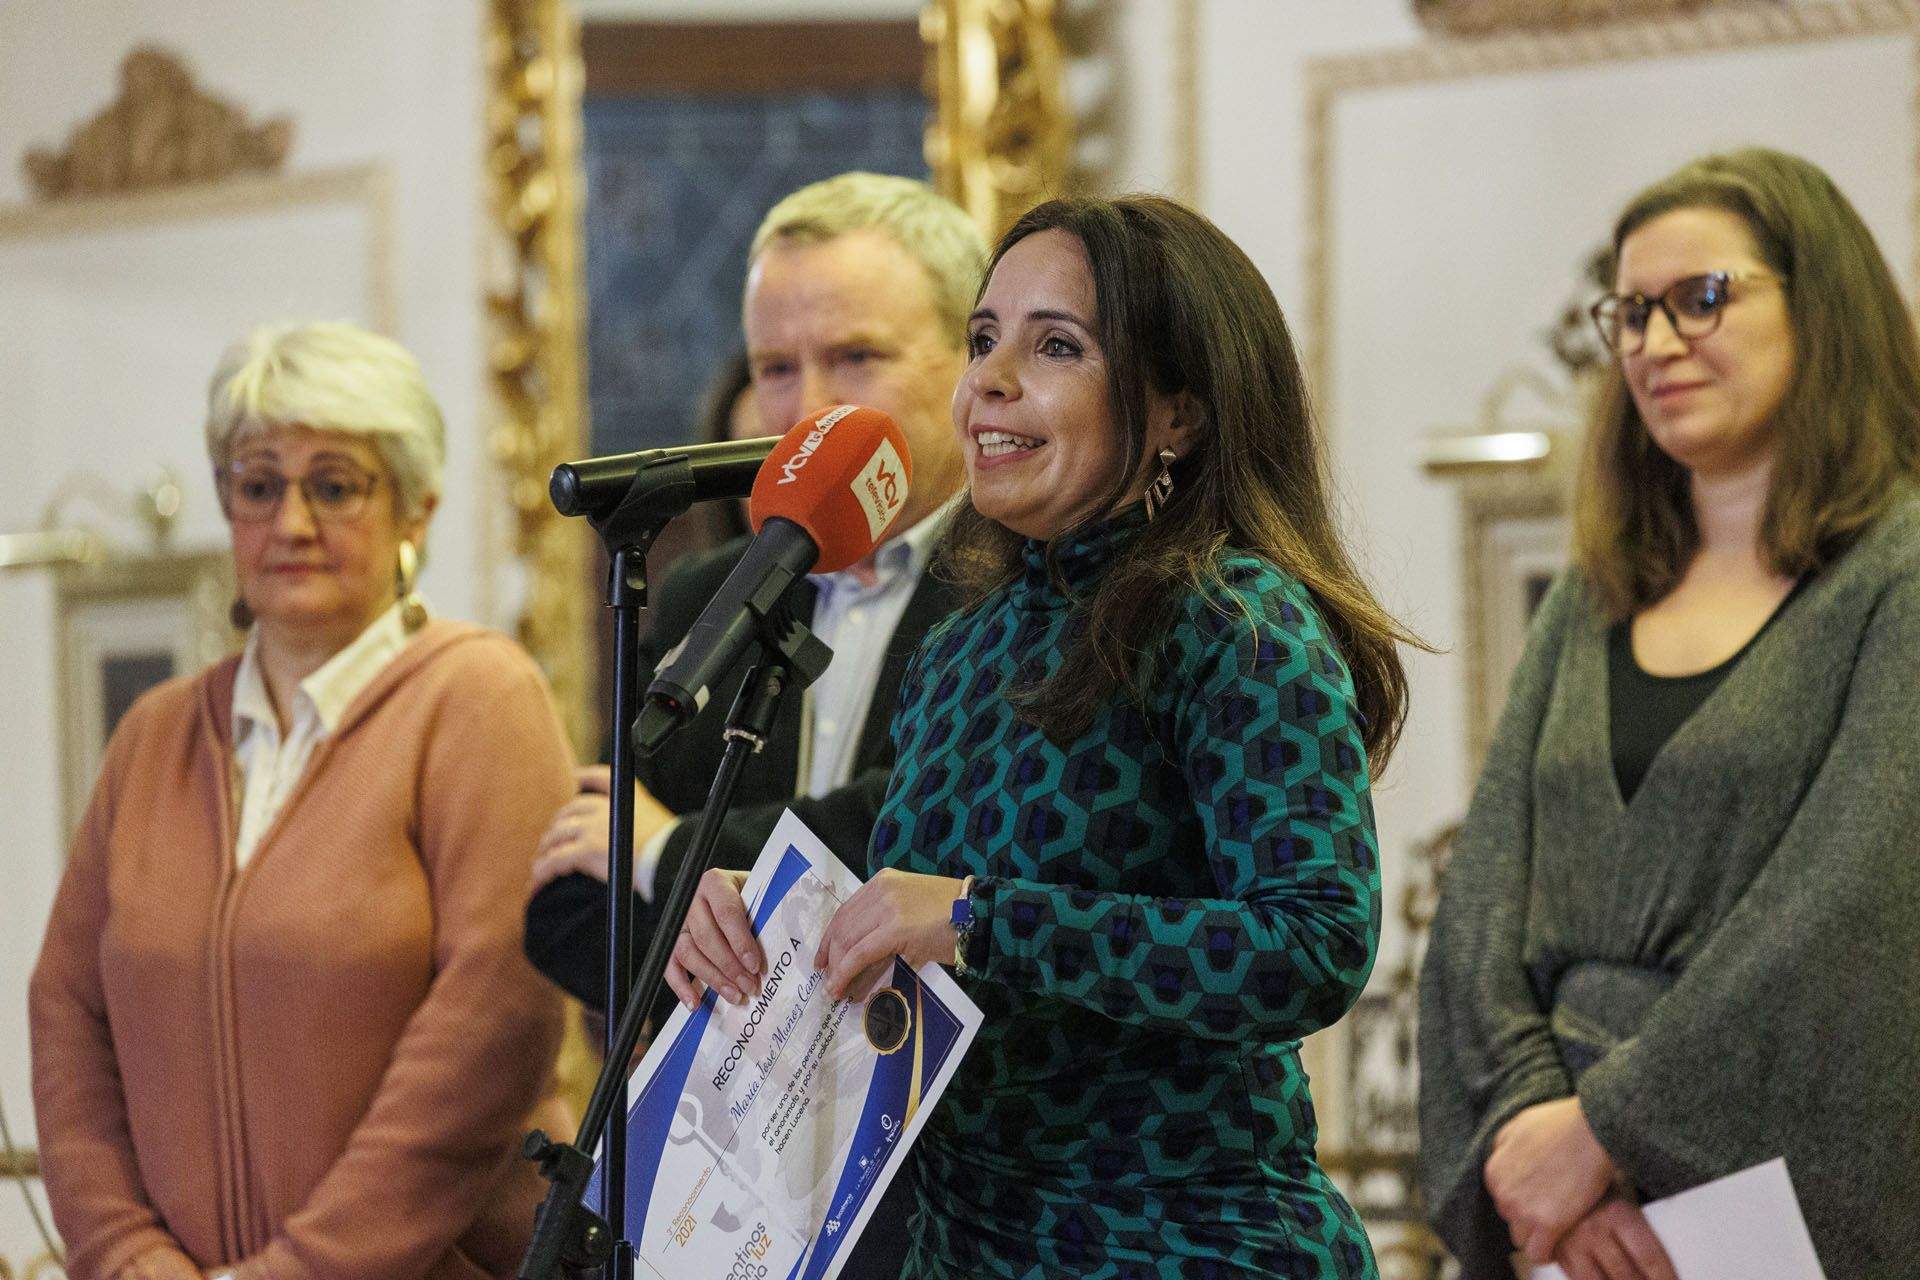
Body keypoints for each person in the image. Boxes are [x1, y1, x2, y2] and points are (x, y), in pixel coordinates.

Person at [668, 195, 1417, 1279]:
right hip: (958, 1249)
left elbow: (1310, 947)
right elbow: (913, 948)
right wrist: (762, 924)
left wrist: (983, 917)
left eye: (1055, 344)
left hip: (1179, 1250)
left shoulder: (1236, 619)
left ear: (1179, 412)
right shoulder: (960, 650)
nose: (989, 381)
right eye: (983, 340)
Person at [1419, 147, 1920, 1280]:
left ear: (1824, 308)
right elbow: (1487, 885)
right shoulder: (1599, 590)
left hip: (1765, 1206)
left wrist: (1608, 1130)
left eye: (1701, 299)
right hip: (1554, 1215)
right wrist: (1533, 1130)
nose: (1654, 342)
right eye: (1631, 311)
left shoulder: (1901, 575)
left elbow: (1852, 906)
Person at [30, 322, 576, 1280]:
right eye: (258, 484)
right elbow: (68, 1016)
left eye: (334, 485)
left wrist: (299, 1272)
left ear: (416, 512)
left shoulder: (479, 700)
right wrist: (123, 1255)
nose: (290, 522)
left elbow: (495, 1024)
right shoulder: (153, 736)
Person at [522, 172, 983, 1280]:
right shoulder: (707, 594)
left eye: (855, 357)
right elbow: (564, 904)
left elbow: (910, 833)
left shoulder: (1026, 590)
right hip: (734, 1206)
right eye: (777, 367)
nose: (807, 404)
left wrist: (666, 855)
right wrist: (680, 911)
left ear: (971, 363)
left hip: (960, 1204)